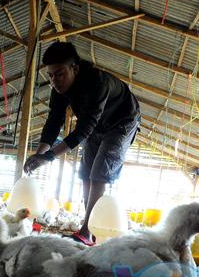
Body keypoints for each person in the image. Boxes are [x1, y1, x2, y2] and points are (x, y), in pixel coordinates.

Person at [24, 42, 140, 246]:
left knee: (99, 174)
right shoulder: (58, 89)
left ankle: (87, 231)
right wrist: (38, 154)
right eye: (50, 75)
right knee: (85, 173)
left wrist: (49, 157)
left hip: (121, 122)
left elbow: (83, 130)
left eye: (59, 74)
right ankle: (89, 229)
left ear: (74, 69)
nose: (54, 80)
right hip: (96, 125)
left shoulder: (97, 82)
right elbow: (54, 122)